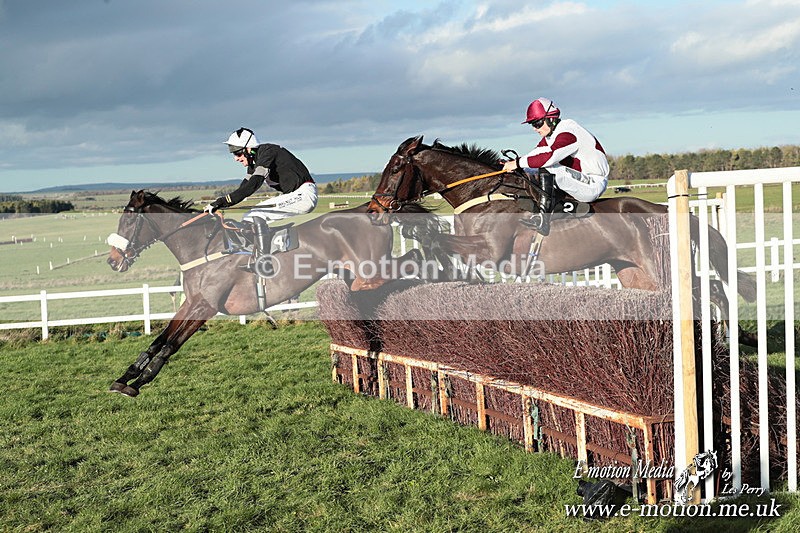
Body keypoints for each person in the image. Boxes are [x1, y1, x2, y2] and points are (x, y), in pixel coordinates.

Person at [204, 127, 318, 264]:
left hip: (304, 194)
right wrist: (221, 203)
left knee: (255, 215)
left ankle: (264, 262)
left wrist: (222, 201)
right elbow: (244, 188)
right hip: (296, 194)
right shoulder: (254, 163)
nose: (236, 158)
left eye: (238, 153)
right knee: (248, 217)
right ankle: (263, 251)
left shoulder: (267, 152)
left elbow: (253, 185)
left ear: (249, 149)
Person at [502, 97, 609, 235]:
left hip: (593, 184)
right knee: (531, 168)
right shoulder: (552, 135)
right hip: (580, 180)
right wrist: (513, 163)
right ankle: (558, 206)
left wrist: (517, 163)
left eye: (537, 123)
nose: (535, 128)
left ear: (551, 119)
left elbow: (549, 157)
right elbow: (535, 154)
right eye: (532, 124)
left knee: (547, 167)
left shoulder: (568, 132)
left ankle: (544, 218)